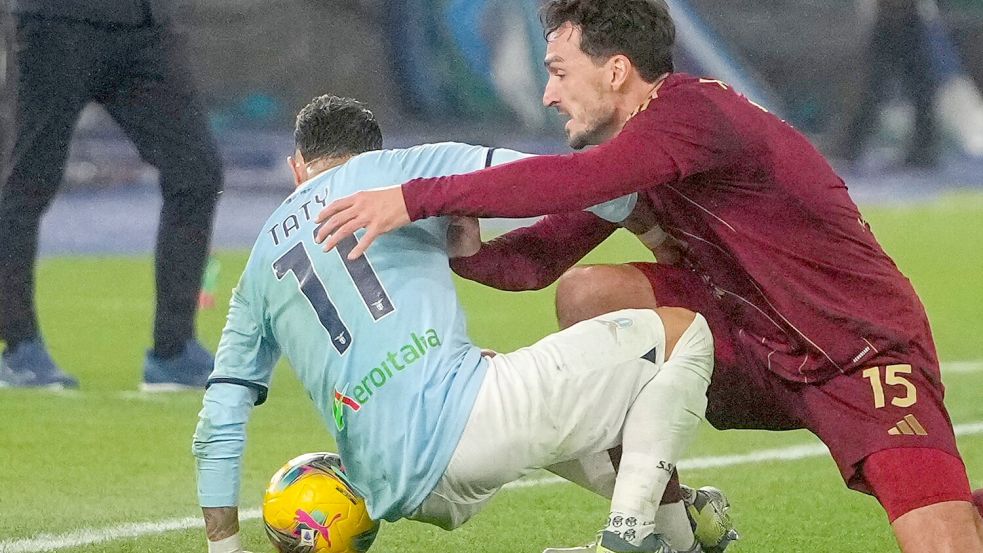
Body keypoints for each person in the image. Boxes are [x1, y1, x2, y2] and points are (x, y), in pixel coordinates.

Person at [311, 0, 983, 550]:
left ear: (616, 71)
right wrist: (461, 252)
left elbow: (568, 179)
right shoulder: (636, 153)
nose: (546, 94)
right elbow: (537, 262)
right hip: (747, 344)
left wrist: (416, 194)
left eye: (557, 70)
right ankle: (666, 530)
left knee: (946, 540)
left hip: (855, 356)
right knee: (590, 294)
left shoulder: (692, 116)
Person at [192, 95, 720, 553]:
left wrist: (225, 545)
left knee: (524, 381)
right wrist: (653, 235)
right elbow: (567, 182)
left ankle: (680, 530)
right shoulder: (407, 168)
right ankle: (627, 534)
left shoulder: (258, 266)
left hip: (397, 492)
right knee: (682, 333)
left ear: (296, 168)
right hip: (470, 430)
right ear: (376, 152)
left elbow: (219, 420)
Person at [0, 0, 223, 389]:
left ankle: (174, 351)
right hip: (55, 20)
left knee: (197, 171)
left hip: (143, 24)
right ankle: (18, 349)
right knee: (27, 182)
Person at [840, 0, 939, 167]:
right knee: (871, 91)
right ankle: (850, 146)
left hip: (909, 21)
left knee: (921, 90)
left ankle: (923, 149)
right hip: (885, 21)